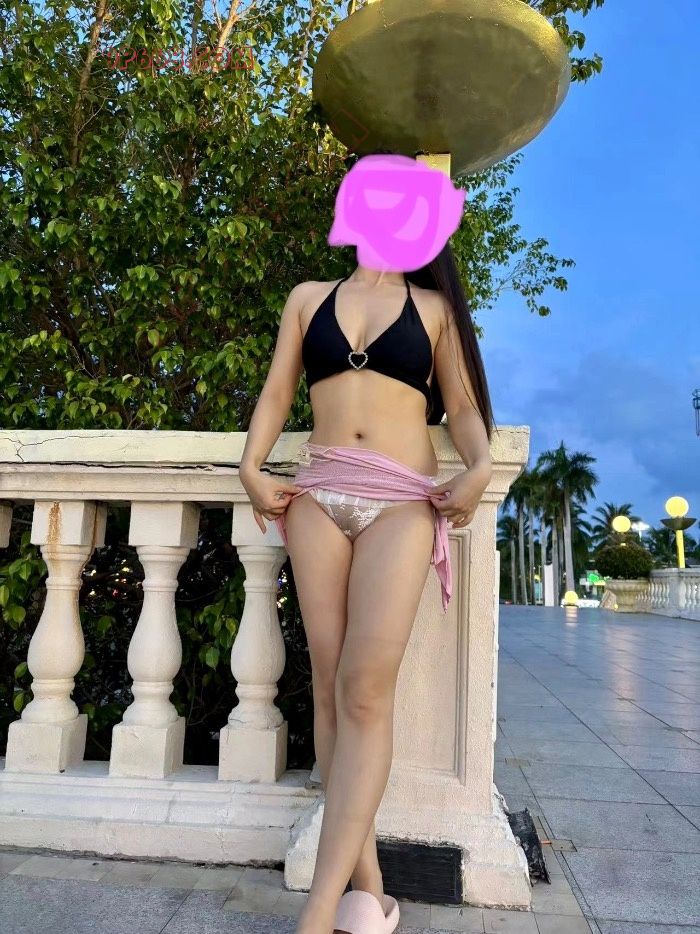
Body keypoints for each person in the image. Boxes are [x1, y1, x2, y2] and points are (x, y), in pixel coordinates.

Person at [239, 240, 495, 934]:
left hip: (401, 500)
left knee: (363, 690)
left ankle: (318, 915)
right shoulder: (307, 298)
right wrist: (250, 465)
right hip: (318, 494)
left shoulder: (434, 308)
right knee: (328, 688)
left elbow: (461, 406)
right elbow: (277, 392)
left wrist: (478, 466)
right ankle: (369, 889)